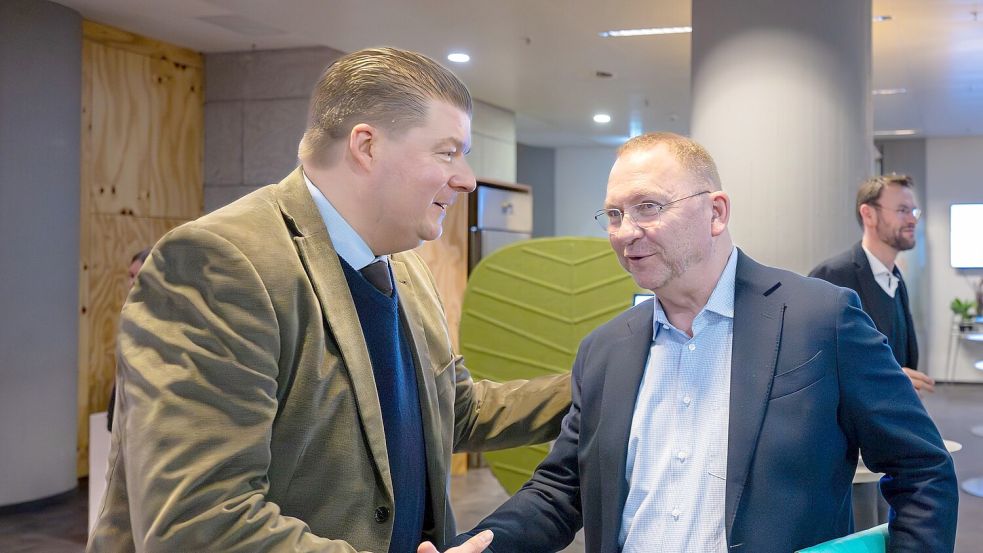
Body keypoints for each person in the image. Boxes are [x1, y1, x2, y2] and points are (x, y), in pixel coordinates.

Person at [88, 47, 570, 553]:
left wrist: (603, 379)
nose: (467, 178)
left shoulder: (402, 265)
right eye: (447, 152)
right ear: (366, 146)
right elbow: (199, 523)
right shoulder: (220, 263)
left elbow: (456, 409)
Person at [455, 133, 957, 552]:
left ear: (716, 212)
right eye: (613, 215)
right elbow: (563, 489)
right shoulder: (604, 351)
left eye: (647, 207)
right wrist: (485, 541)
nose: (626, 233)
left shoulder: (820, 318)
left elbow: (922, 470)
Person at [809, 174, 934, 395]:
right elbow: (813, 360)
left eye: (914, 211)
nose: (913, 220)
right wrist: (887, 378)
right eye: (902, 210)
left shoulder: (895, 279)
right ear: (868, 214)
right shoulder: (833, 276)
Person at [105, 247, 151, 432]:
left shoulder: (162, 323)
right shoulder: (131, 316)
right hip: (124, 413)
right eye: (130, 276)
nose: (131, 283)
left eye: (138, 277)